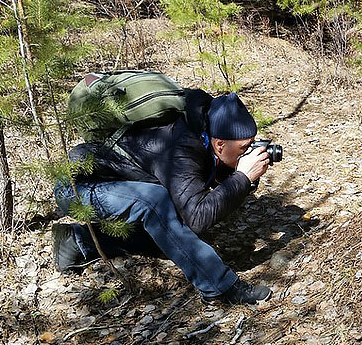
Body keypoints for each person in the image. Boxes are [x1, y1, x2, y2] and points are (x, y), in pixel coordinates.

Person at [52, 90, 273, 304]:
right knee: (155, 202)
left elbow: (208, 179)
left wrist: (243, 177)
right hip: (77, 184)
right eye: (245, 147)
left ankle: (76, 240)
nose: (249, 152)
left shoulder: (203, 125)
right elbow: (197, 218)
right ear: (220, 144)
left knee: (169, 235)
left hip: (111, 179)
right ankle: (219, 287)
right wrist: (242, 176)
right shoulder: (180, 146)